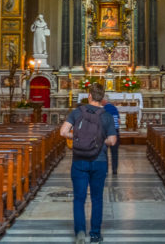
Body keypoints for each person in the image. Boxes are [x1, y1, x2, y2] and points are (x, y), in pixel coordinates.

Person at [61, 82, 118, 244]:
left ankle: (79, 232)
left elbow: (63, 132)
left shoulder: (77, 112)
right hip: (99, 161)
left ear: (89, 96)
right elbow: (113, 141)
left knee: (79, 198)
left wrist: (78, 138)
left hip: (79, 160)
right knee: (97, 198)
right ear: (103, 98)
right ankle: (95, 234)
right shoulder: (106, 115)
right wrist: (98, 141)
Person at [103, 99, 121, 175]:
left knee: (104, 152)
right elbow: (119, 121)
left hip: (105, 133)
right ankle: (114, 170)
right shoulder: (114, 108)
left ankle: (106, 170)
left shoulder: (102, 109)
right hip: (115, 132)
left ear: (104, 101)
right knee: (114, 152)